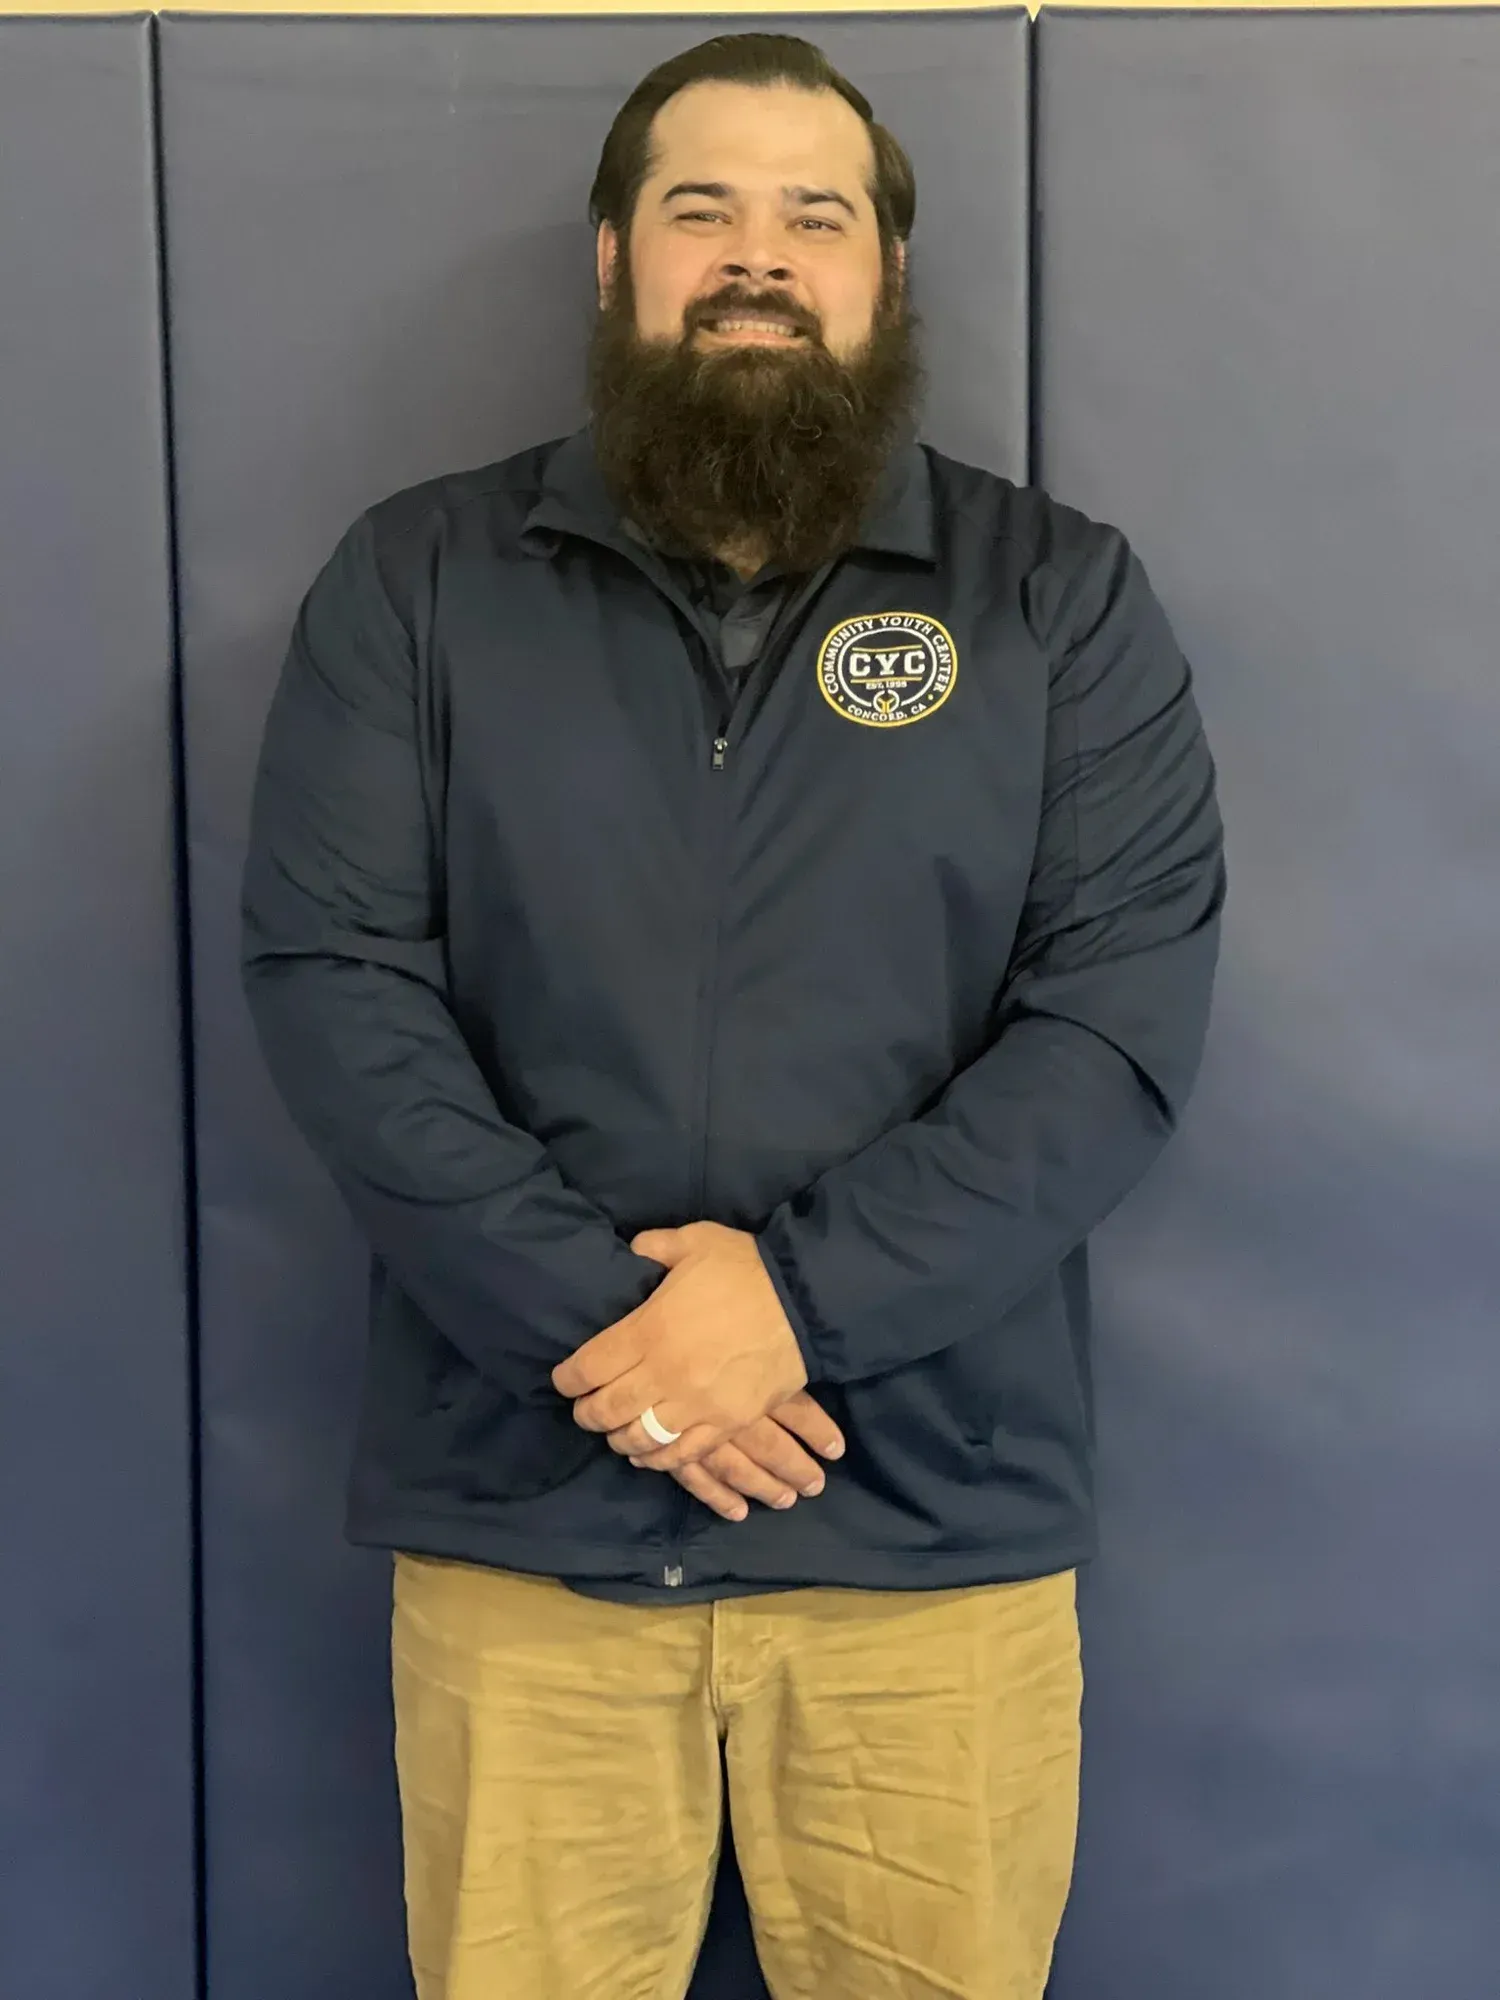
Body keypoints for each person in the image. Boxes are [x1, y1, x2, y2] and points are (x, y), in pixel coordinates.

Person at [240, 31, 1225, 2000]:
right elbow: (338, 987)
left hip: (929, 1548)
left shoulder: (1061, 603)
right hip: (529, 1537)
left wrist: (791, 1308)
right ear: (615, 263)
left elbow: (1110, 1029)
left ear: (885, 278)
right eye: (701, 209)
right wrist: (618, 1335)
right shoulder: (419, 582)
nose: (755, 254)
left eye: (813, 215)